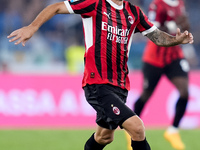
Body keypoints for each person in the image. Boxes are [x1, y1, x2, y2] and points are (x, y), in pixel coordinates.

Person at [7, 0, 193, 150]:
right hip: (97, 83)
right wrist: (32, 27)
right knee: (137, 128)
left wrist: (176, 40)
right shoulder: (95, 4)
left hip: (120, 85)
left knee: (104, 137)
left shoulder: (134, 12)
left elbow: (156, 36)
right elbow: (56, 7)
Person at [125, 0, 191, 150]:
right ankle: (132, 131)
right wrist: (174, 25)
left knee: (184, 92)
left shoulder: (180, 3)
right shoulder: (157, 4)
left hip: (174, 56)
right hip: (154, 58)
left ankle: (173, 131)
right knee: (146, 95)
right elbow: (152, 29)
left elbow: (184, 25)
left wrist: (185, 27)